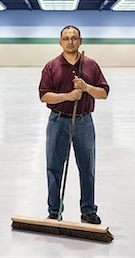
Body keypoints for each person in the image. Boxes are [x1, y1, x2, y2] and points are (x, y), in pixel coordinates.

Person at [39, 25, 109, 225]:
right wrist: (68, 96)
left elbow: (103, 93)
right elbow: (44, 95)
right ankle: (54, 211)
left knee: (87, 167)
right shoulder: (51, 66)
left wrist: (86, 87)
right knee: (54, 167)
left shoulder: (91, 66)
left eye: (74, 38)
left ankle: (88, 210)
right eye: (66, 38)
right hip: (58, 121)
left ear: (80, 41)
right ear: (60, 42)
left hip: (84, 122)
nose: (70, 41)